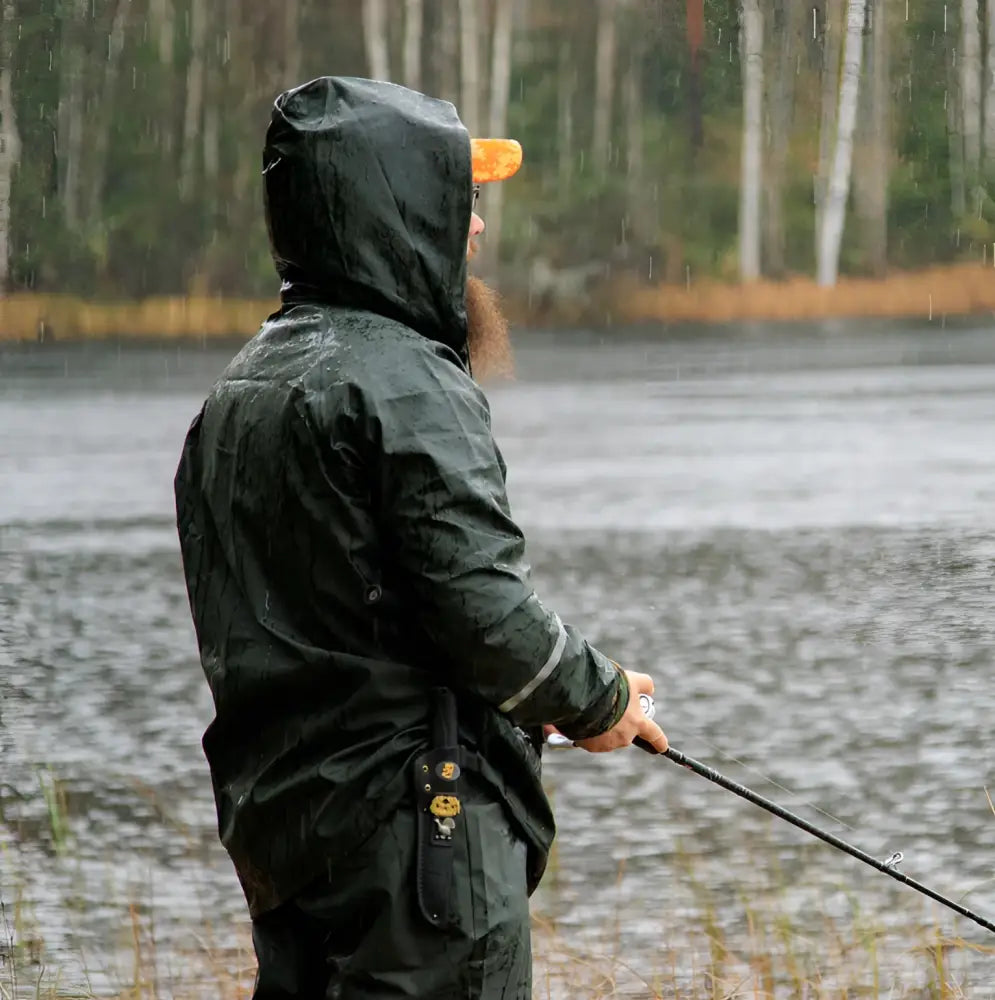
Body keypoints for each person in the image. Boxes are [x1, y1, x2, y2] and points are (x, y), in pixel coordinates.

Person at [174, 76, 668, 1000]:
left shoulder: (238, 390)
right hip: (418, 857)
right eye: (463, 201)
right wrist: (597, 698)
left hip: (289, 842)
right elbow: (484, 614)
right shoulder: (406, 384)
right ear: (398, 208)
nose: (476, 228)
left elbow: (344, 631)